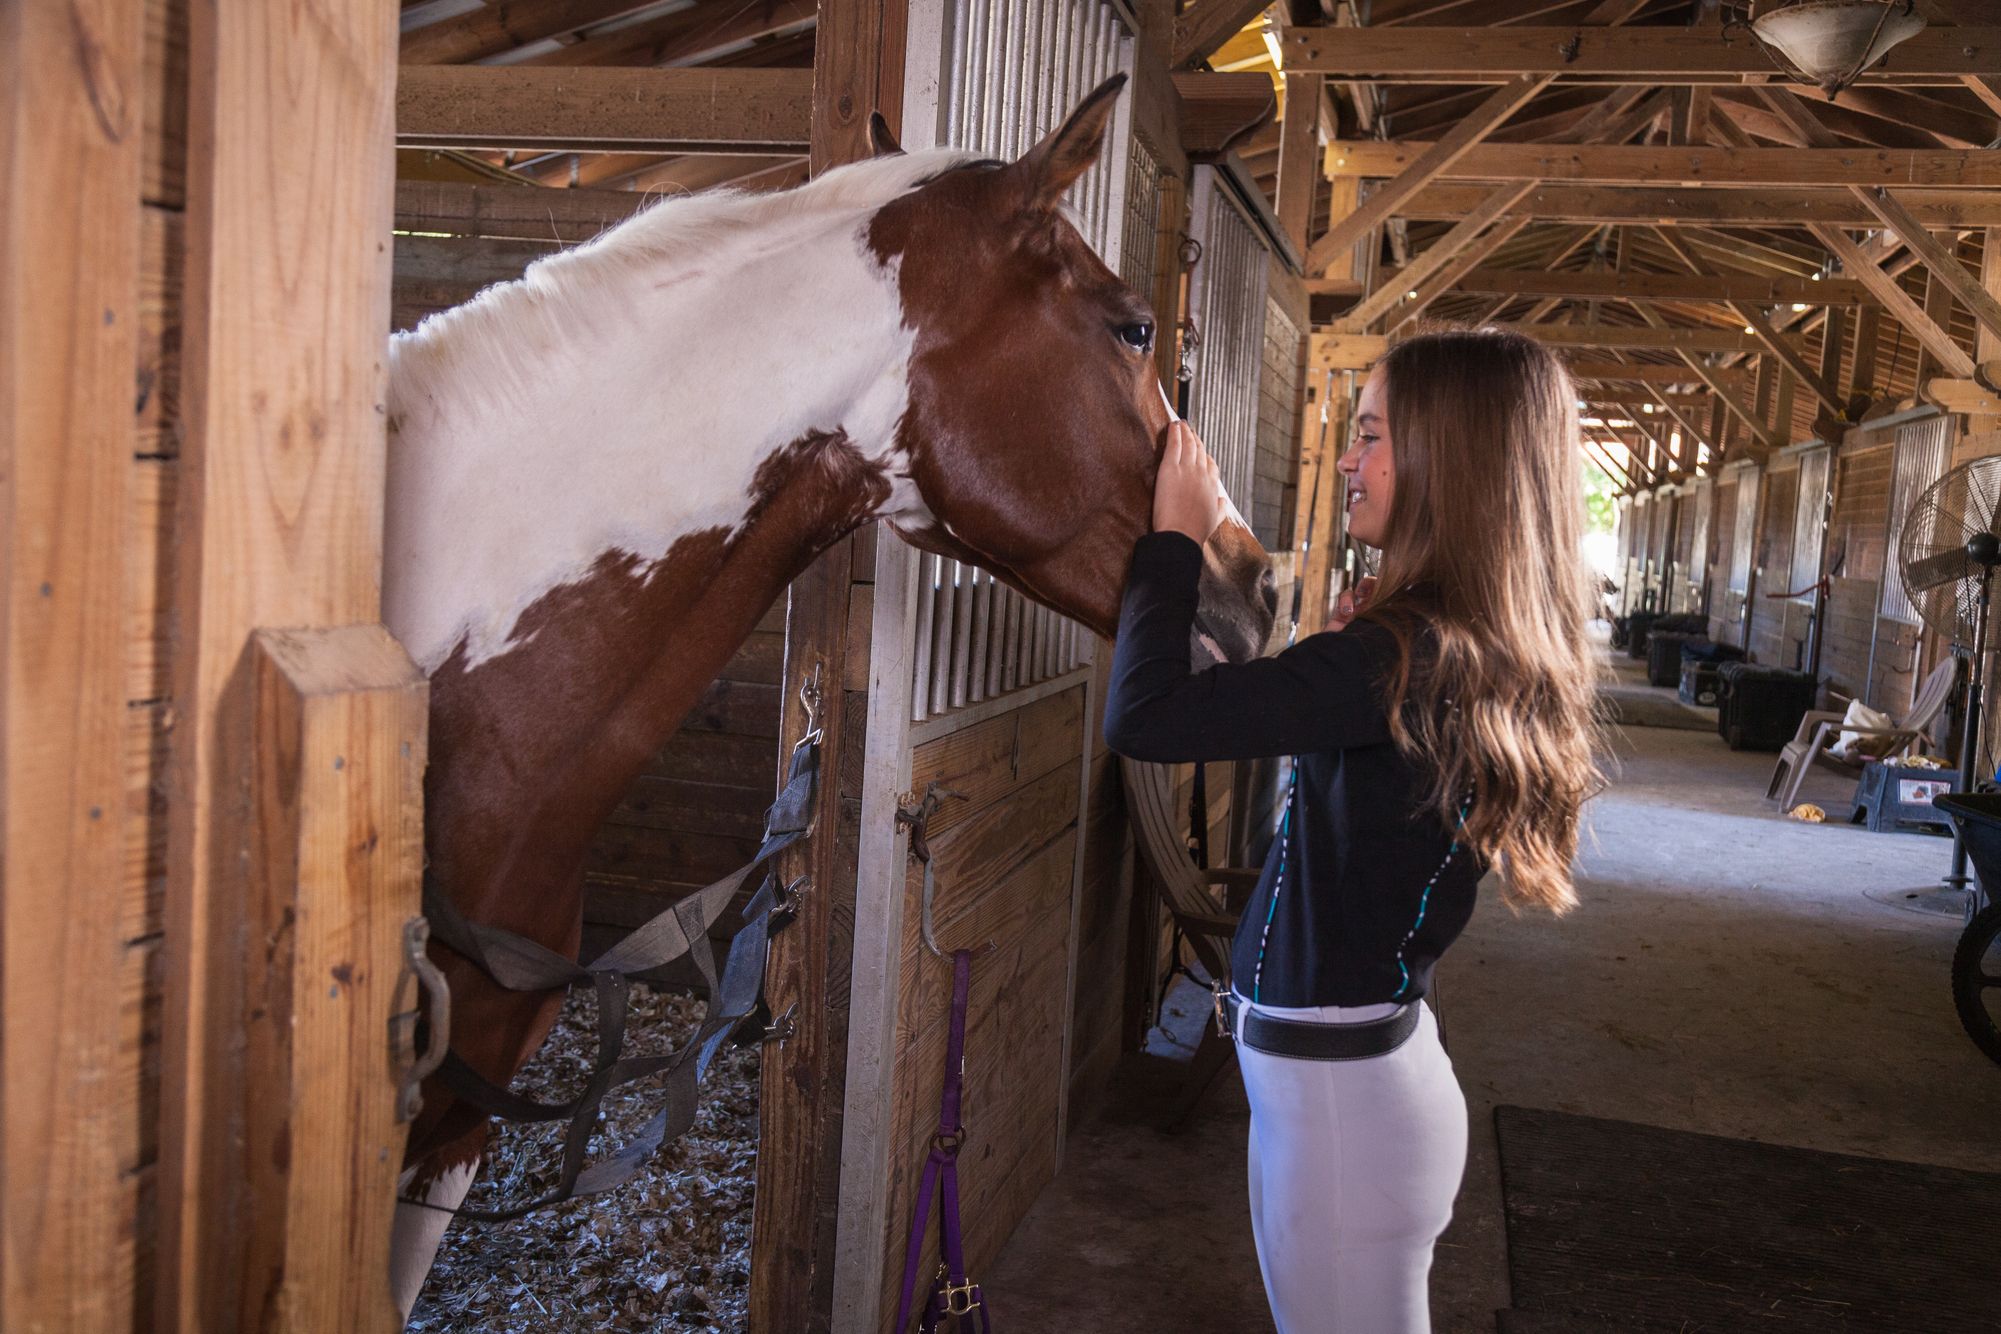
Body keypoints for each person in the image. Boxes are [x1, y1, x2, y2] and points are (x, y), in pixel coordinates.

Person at [1103, 326, 1602, 1333]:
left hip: (1343, 1114)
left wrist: (1173, 538)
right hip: (1346, 1098)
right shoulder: (1427, 643)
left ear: (1444, 463)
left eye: (1371, 435)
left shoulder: (1395, 655)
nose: (1348, 458)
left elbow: (1145, 717)